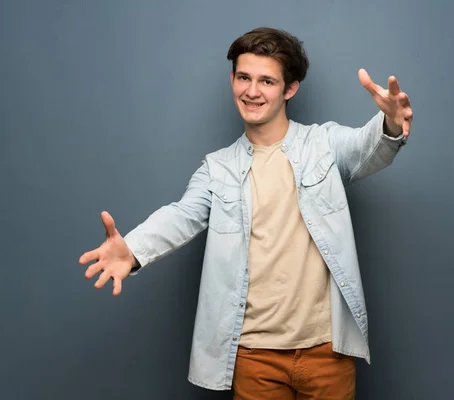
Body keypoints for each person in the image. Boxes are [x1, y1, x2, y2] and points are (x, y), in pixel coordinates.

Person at [79, 27, 413, 399]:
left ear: (290, 88)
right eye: (244, 77)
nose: (252, 91)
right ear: (232, 79)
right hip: (254, 356)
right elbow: (182, 214)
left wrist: (391, 124)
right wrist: (135, 249)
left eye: (267, 81)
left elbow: (368, 146)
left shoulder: (323, 144)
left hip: (327, 351)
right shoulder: (217, 168)